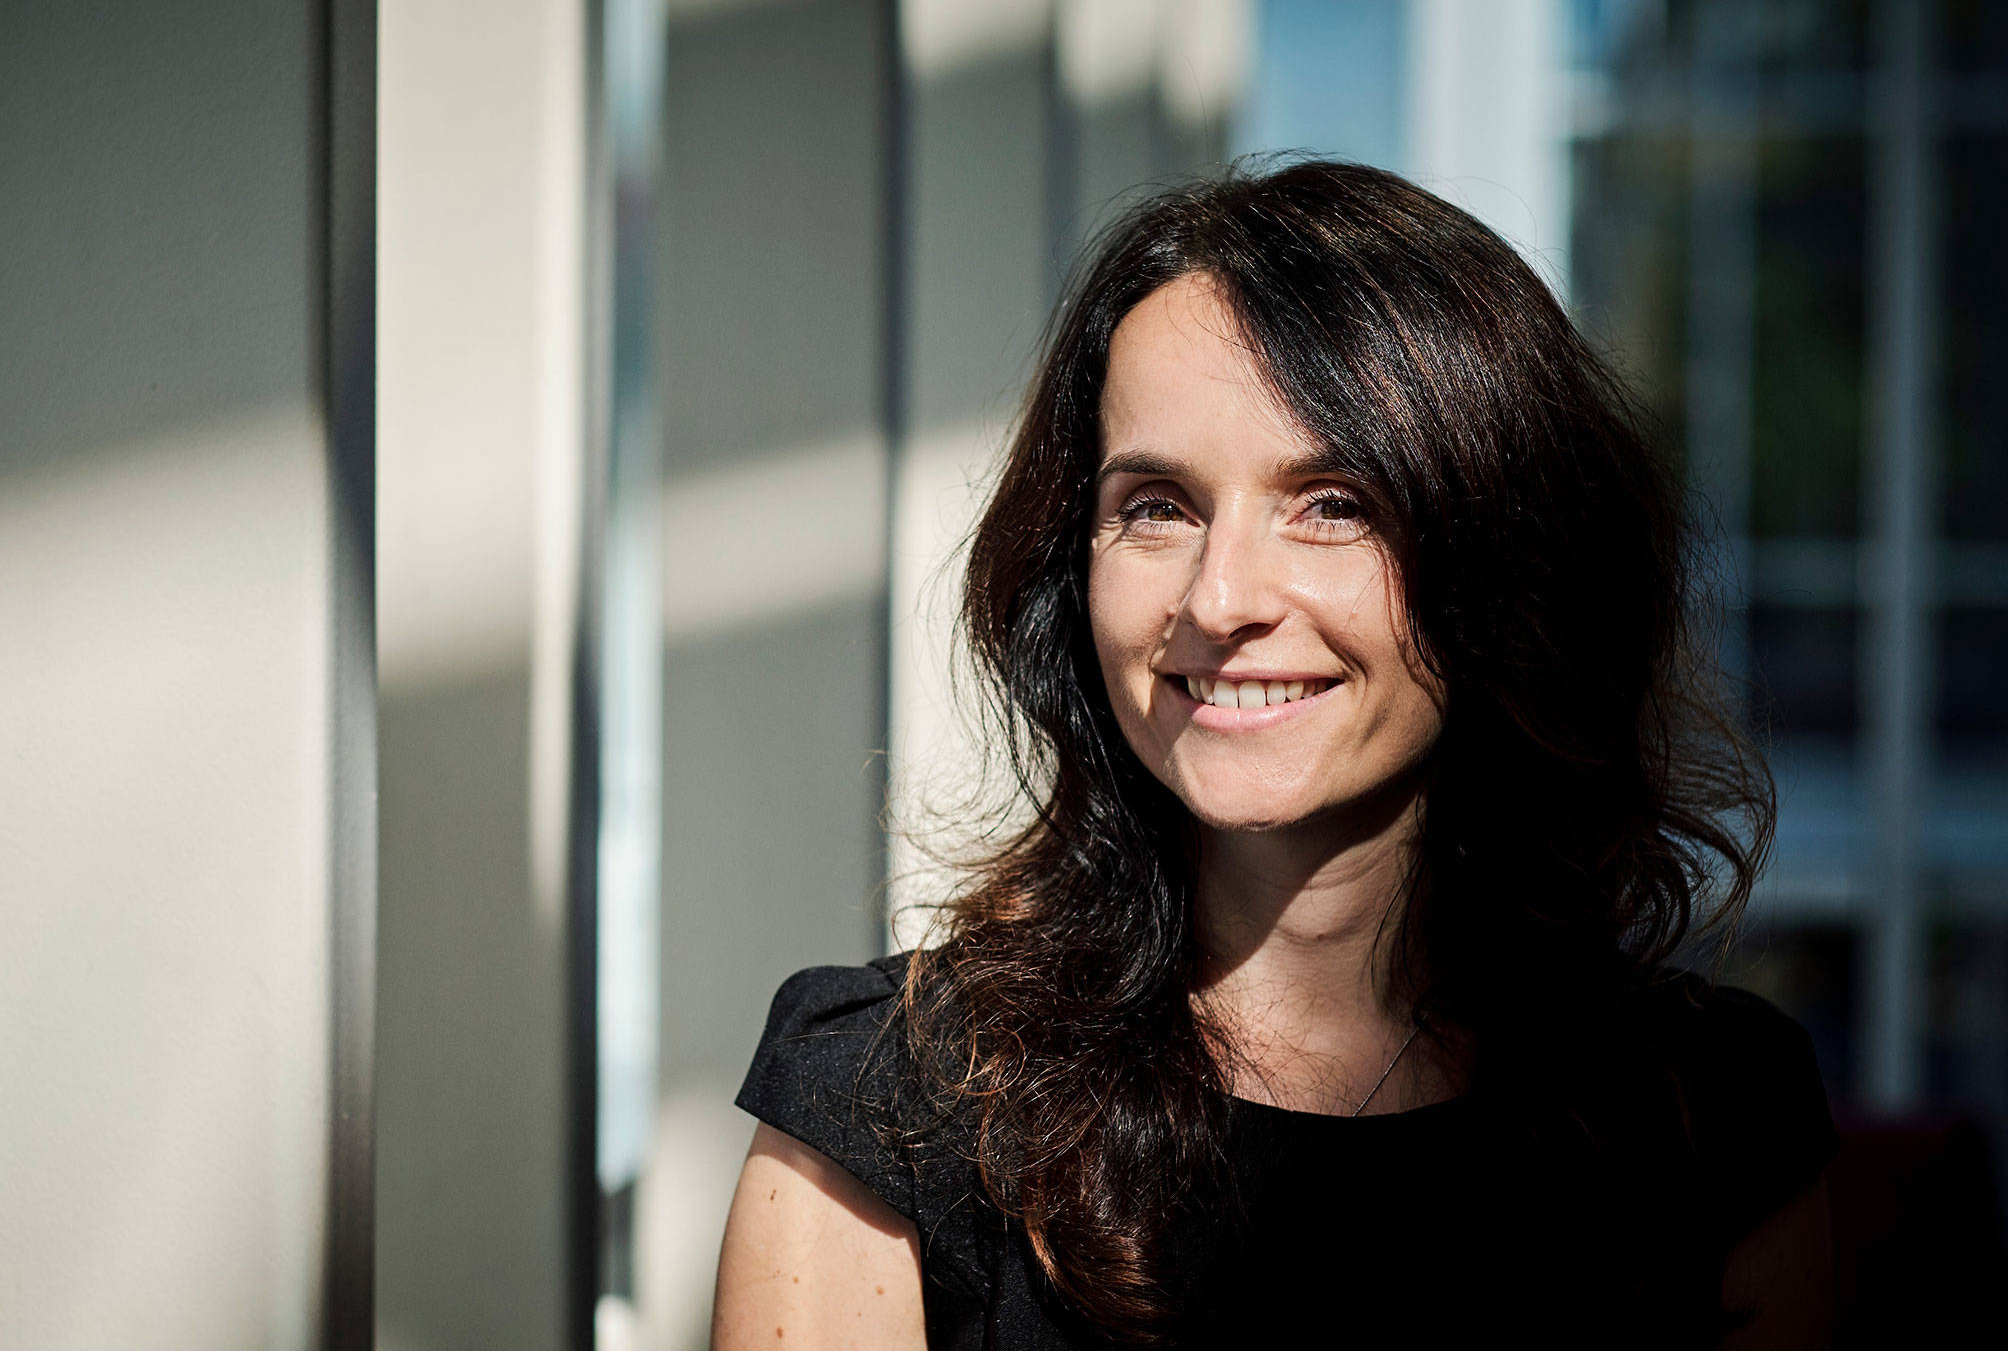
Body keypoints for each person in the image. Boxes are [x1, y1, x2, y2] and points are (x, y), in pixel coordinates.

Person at [711, 160, 1836, 1349]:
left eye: (1335, 502)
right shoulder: (883, 1108)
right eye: (1157, 506)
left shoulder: (1714, 1121)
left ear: (1509, 564)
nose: (1221, 596)